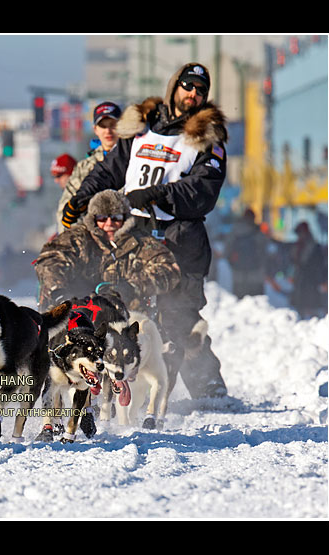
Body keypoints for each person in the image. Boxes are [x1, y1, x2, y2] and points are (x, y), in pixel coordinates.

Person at [60, 63, 229, 399]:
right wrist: (81, 200)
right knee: (121, 310)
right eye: (187, 86)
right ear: (174, 87)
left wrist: (158, 194)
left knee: (178, 317)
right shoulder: (142, 127)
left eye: (200, 90)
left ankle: (205, 386)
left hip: (180, 237)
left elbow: (204, 190)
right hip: (132, 235)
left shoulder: (208, 137)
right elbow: (109, 171)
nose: (193, 94)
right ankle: (117, 391)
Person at [36, 189, 181, 316]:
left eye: (116, 218)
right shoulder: (77, 237)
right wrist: (59, 292)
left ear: (125, 218)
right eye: (102, 218)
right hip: (75, 310)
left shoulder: (140, 242)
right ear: (94, 219)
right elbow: (50, 259)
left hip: (124, 315)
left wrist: (130, 287)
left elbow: (169, 268)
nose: (109, 224)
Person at [55, 102, 121, 235]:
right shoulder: (85, 167)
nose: (108, 131)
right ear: (96, 129)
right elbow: (66, 208)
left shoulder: (135, 159)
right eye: (103, 126)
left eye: (112, 125)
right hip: (93, 236)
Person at [224, 208, 270, 298]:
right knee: (256, 301)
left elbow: (227, 250)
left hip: (238, 274)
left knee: (239, 300)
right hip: (255, 273)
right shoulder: (258, 232)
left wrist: (231, 262)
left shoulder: (234, 230)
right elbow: (264, 250)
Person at [288, 222, 328, 318]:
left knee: (312, 309)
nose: (299, 236)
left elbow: (320, 265)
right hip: (301, 283)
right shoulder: (299, 246)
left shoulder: (313, 247)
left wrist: (323, 281)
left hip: (311, 283)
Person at [51, 153, 78, 233]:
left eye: (59, 176)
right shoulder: (67, 195)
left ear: (70, 173)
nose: (56, 181)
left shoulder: (79, 195)